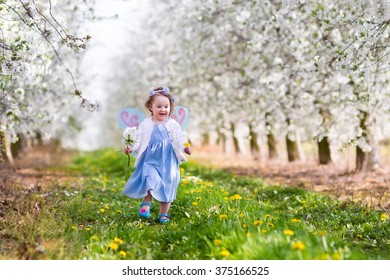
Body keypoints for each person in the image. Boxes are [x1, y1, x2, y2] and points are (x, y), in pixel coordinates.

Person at [122, 86, 192, 224]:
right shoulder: (146, 123)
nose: (163, 109)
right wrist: (131, 147)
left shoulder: (173, 124)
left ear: (170, 108)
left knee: (168, 184)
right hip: (151, 158)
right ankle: (146, 204)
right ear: (151, 107)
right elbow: (139, 139)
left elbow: (180, 137)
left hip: (169, 160)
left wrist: (185, 147)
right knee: (150, 178)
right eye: (159, 106)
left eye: (166, 106)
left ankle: (163, 214)